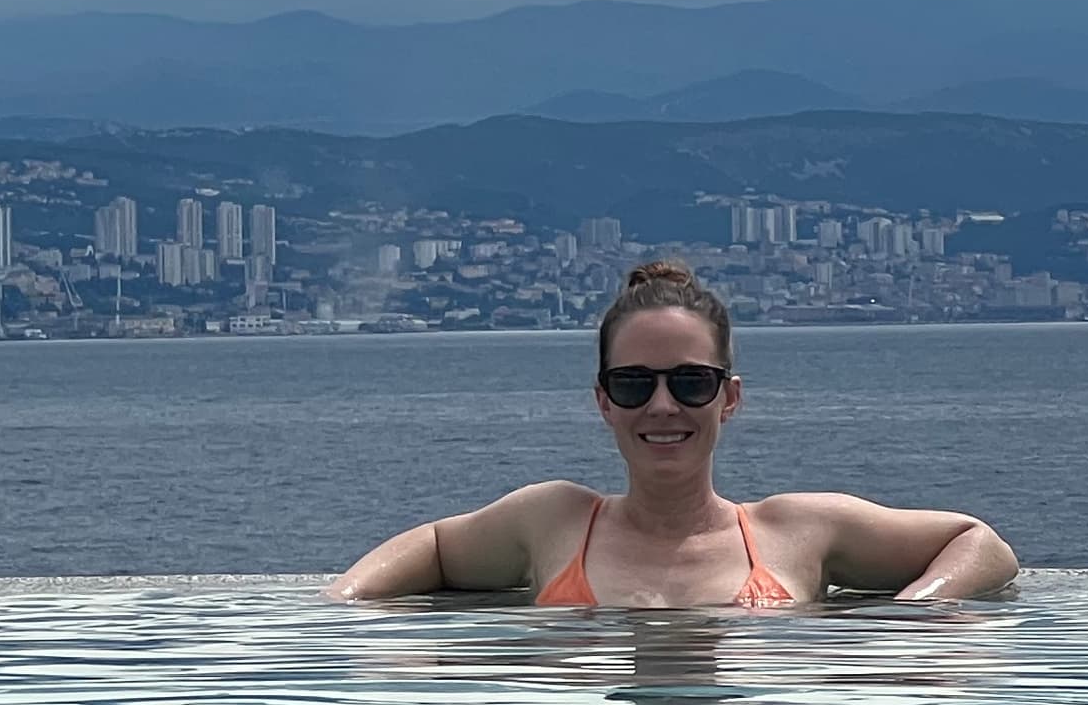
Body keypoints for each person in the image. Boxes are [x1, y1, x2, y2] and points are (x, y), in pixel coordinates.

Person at [327, 259, 1018, 608]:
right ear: (603, 401)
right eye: (635, 383)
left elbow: (980, 544)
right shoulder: (554, 519)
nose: (663, 406)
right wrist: (336, 613)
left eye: (691, 382)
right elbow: (436, 546)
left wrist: (912, 621)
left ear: (730, 398)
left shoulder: (795, 530)